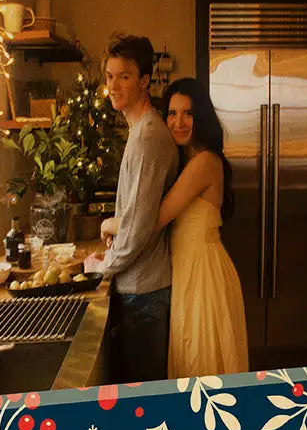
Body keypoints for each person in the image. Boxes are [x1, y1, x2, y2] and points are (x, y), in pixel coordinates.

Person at [102, 77, 249, 378]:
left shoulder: (204, 163)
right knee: (190, 362)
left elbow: (153, 220)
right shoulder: (187, 162)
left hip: (203, 275)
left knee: (201, 366)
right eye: (171, 113)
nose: (178, 122)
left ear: (201, 118)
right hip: (187, 272)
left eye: (188, 114)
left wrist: (109, 223)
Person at [83, 35, 180, 383]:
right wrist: (112, 228)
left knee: (141, 398)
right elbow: (139, 213)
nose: (113, 85)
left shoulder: (148, 138)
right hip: (140, 288)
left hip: (144, 292)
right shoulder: (141, 131)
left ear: (144, 81)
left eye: (123, 76)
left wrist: (103, 268)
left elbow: (139, 227)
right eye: (109, 76)